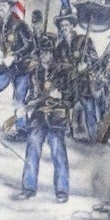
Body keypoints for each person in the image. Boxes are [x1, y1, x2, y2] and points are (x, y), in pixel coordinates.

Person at [20, 31, 73, 202]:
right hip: (38, 117)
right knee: (32, 151)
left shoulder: (63, 72)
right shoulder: (34, 73)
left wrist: (61, 96)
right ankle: (28, 188)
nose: (45, 56)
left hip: (56, 118)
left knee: (58, 154)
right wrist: (27, 104)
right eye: (42, 52)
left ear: (52, 53)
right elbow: (31, 94)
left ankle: (62, 191)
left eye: (48, 52)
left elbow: (71, 97)